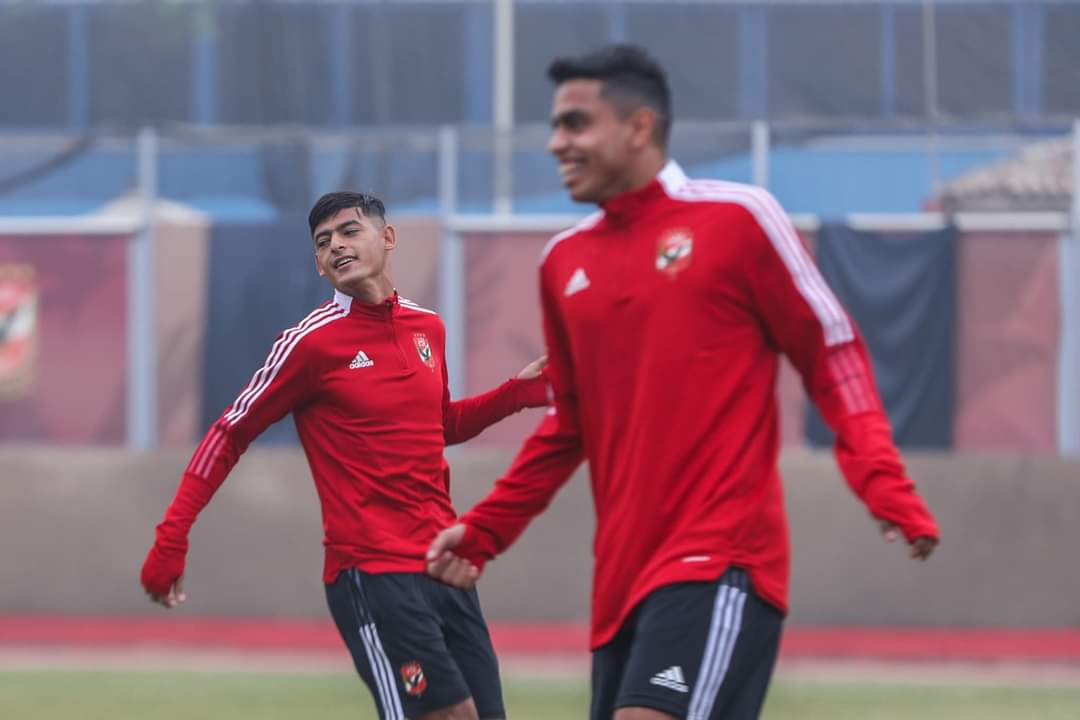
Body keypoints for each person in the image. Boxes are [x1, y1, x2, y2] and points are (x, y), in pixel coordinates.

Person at [426, 44, 940, 720]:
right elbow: (570, 425)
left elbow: (831, 352)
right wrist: (488, 527)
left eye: (576, 123)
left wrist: (880, 479)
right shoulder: (563, 261)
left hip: (723, 558)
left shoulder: (737, 219)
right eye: (554, 126)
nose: (556, 144)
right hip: (620, 582)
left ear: (639, 127)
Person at [141, 191, 550, 720]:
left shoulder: (428, 327)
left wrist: (516, 394)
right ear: (318, 264)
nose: (335, 245)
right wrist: (172, 537)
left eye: (349, 231)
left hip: (445, 564)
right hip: (374, 574)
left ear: (387, 237)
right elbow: (228, 434)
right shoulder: (309, 344)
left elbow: (438, 425)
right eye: (322, 241)